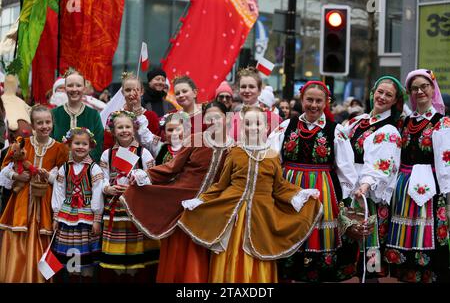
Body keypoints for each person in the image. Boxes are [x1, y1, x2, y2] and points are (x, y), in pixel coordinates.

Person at [179, 106, 323, 283]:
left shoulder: (272, 156)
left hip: (261, 216)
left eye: (257, 123)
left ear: (265, 126)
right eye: (248, 123)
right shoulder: (235, 152)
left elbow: (279, 187)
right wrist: (200, 200)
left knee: (258, 254)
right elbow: (221, 185)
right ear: (242, 126)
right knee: (231, 256)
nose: (253, 128)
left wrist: (299, 194)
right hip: (232, 216)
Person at [121, 102, 233, 282]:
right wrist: (147, 175)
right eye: (209, 117)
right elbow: (173, 167)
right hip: (181, 200)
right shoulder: (196, 138)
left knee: (199, 247)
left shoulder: (233, 147)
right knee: (179, 247)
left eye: (217, 117)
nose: (214, 121)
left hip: (209, 205)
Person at [268, 80, 358, 282]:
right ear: (302, 100)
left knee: (320, 233)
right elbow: (272, 159)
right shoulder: (285, 126)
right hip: (290, 188)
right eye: (309, 100)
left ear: (326, 102)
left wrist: (346, 199)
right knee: (291, 231)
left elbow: (346, 170)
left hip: (323, 189)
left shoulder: (336, 130)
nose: (314, 105)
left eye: (319, 101)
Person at [385, 69, 450, 283]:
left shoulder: (442, 122)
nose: (420, 91)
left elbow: (445, 162)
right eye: (415, 88)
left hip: (431, 186)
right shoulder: (403, 123)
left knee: (428, 235)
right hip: (404, 185)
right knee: (405, 238)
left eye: (424, 86)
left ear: (433, 89)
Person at [343, 76, 405, 279]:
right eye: (380, 92)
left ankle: (371, 277)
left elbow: (381, 166)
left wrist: (366, 184)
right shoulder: (357, 121)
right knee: (352, 245)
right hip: (351, 188)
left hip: (368, 194)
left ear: (396, 101)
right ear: (372, 93)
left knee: (371, 245)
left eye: (389, 95)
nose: (382, 97)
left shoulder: (389, 130)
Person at [0, 105, 68, 283]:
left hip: (45, 201)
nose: (44, 126)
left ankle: (38, 278)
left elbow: (63, 178)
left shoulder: (60, 149)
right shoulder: (23, 143)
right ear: (32, 125)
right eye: (40, 123)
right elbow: (4, 171)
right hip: (21, 201)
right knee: (19, 237)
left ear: (52, 122)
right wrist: (17, 175)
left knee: (42, 239)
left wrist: (50, 176)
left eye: (47, 122)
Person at [99, 110, 159, 282]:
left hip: (136, 210)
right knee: (117, 262)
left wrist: (140, 179)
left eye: (127, 126)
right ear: (113, 131)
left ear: (134, 129)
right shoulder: (107, 154)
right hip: (115, 211)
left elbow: (152, 178)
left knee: (137, 258)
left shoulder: (144, 153)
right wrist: (107, 188)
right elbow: (102, 178)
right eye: (120, 127)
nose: (124, 130)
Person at [51, 127, 104, 282]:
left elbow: (98, 193)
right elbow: (58, 192)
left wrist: (96, 219)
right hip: (67, 216)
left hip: (86, 217)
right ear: (69, 144)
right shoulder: (64, 168)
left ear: (90, 146)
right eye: (77, 143)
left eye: (84, 144)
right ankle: (72, 277)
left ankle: (86, 278)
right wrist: (56, 216)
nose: (80, 147)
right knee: (70, 253)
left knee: (86, 255)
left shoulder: (94, 169)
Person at [51, 69, 104, 162]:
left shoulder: (93, 115)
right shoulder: (54, 114)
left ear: (84, 88)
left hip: (87, 170)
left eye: (78, 85)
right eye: (70, 85)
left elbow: (99, 144)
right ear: (65, 87)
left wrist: (85, 165)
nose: (74, 89)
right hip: (58, 169)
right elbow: (49, 143)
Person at [103, 73, 160, 150]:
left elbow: (155, 146)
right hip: (118, 159)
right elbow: (107, 145)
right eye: (128, 90)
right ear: (123, 92)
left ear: (142, 91)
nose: (132, 94)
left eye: (136, 90)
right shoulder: (113, 116)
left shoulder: (151, 116)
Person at [230, 67, 281, 143]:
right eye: (243, 87)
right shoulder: (232, 118)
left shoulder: (273, 118)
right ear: (239, 89)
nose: (247, 90)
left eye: (251, 87)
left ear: (260, 90)